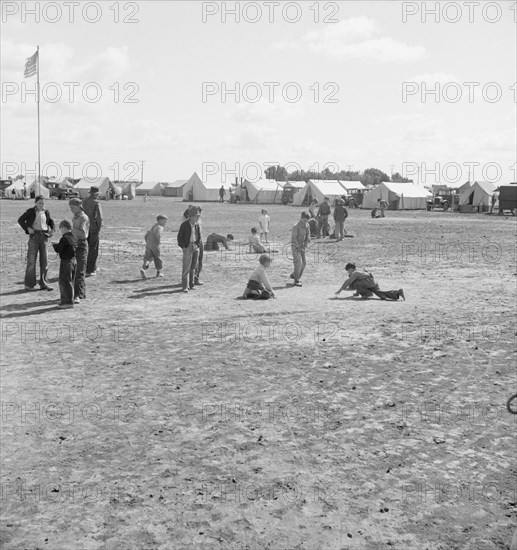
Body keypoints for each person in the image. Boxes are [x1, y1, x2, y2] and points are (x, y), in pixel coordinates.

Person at [18, 195, 55, 291]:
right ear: (35, 203)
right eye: (40, 203)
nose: (42, 205)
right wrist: (27, 228)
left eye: (43, 203)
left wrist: (52, 230)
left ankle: (44, 283)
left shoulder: (46, 211)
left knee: (45, 261)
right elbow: (21, 220)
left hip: (44, 238)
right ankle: (29, 285)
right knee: (31, 261)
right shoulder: (30, 211)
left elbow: (51, 222)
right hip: (34, 237)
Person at [335, 263, 405, 301]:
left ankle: (367, 294)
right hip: (372, 282)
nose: (348, 272)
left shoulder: (355, 273)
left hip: (368, 282)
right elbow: (356, 286)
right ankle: (397, 293)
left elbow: (349, 282)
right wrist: (355, 293)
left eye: (348, 271)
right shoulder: (360, 270)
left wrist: (340, 290)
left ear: (351, 269)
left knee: (356, 283)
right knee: (381, 294)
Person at [51, 220, 76, 309]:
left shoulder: (64, 238)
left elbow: (60, 250)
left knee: (64, 282)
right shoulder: (73, 237)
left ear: (64, 228)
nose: (60, 231)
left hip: (66, 262)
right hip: (73, 261)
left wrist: (54, 245)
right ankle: (67, 299)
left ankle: (67, 302)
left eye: (61, 228)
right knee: (70, 281)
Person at [69, 198, 90, 304]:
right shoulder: (75, 217)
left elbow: (82, 234)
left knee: (80, 271)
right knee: (74, 270)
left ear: (78, 207)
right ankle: (78, 293)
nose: (71, 210)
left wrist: (70, 230)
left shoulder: (83, 218)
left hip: (81, 245)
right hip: (75, 244)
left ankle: (78, 294)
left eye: (73, 207)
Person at [177, 206, 202, 293]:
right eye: (196, 216)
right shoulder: (184, 225)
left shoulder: (197, 225)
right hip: (188, 247)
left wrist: (198, 244)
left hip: (195, 246)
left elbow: (199, 236)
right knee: (186, 268)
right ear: (190, 216)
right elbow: (180, 237)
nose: (198, 218)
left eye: (198, 216)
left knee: (193, 267)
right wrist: (183, 246)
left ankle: (191, 285)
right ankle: (185, 286)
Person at [82, 186, 103, 277]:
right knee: (93, 249)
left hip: (83, 227)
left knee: (84, 249)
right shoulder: (96, 203)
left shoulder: (83, 201)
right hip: (93, 228)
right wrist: (99, 228)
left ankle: (89, 267)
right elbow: (100, 217)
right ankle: (90, 270)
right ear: (95, 194)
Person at [140, 215, 168, 280]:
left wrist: (148, 242)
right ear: (160, 221)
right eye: (164, 221)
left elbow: (146, 235)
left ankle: (143, 269)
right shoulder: (160, 227)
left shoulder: (153, 226)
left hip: (148, 245)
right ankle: (159, 272)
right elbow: (158, 234)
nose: (165, 223)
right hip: (155, 245)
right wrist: (158, 241)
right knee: (157, 258)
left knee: (148, 258)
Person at [183, 205, 204, 285]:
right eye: (198, 211)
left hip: (199, 240)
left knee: (199, 260)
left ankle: (196, 278)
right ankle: (190, 280)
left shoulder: (198, 219)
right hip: (191, 242)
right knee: (191, 263)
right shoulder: (188, 219)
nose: (200, 213)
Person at [290, 211, 310, 287]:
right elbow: (293, 239)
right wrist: (298, 247)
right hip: (295, 246)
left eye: (307, 220)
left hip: (302, 246)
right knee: (298, 263)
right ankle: (296, 280)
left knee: (304, 263)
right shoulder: (296, 226)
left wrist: (305, 245)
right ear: (301, 218)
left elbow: (308, 235)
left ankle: (296, 275)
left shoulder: (307, 225)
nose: (306, 222)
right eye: (305, 220)